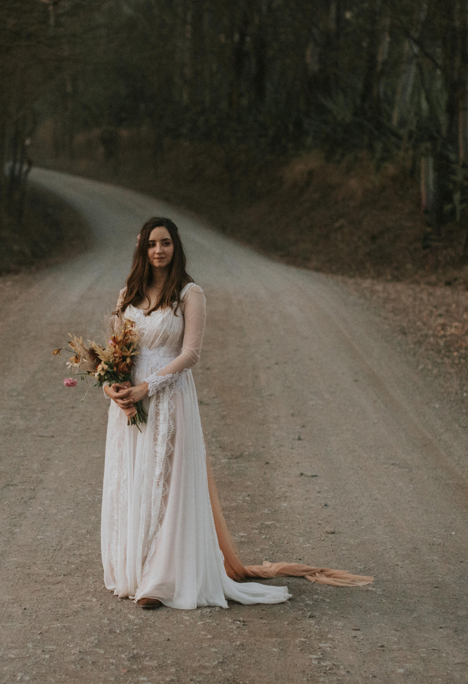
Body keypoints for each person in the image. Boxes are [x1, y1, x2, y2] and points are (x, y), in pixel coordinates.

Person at [102, 217, 372, 610]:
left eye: (165, 243)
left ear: (175, 247)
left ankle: (163, 579)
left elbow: (190, 354)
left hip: (168, 395)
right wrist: (113, 387)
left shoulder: (189, 294)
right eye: (150, 244)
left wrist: (150, 386)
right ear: (141, 250)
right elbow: (116, 351)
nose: (158, 250)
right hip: (129, 403)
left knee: (166, 482)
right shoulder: (128, 294)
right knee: (135, 479)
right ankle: (135, 568)